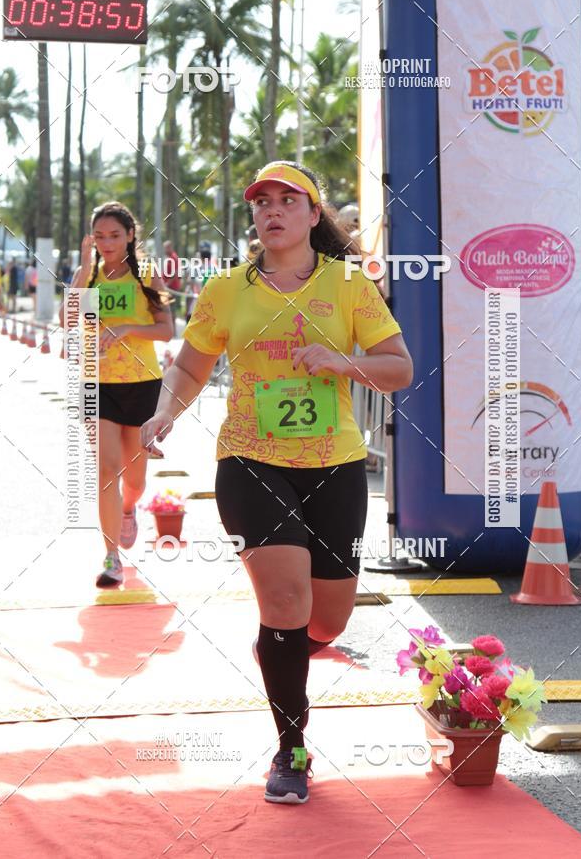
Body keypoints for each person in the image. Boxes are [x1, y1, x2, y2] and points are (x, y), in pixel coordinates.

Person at [140, 161, 413, 804]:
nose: (273, 210)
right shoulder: (226, 290)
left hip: (335, 465)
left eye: (288, 200)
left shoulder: (349, 284)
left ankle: (280, 647)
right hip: (250, 461)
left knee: (327, 622)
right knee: (287, 603)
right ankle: (292, 750)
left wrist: (341, 361)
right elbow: (191, 366)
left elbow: (398, 368)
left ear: (313, 215)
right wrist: (164, 411)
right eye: (262, 201)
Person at [60, 202, 174, 587]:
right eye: (100, 237)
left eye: (114, 235)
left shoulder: (146, 274)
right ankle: (111, 557)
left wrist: (127, 328)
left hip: (142, 385)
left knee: (134, 480)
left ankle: (128, 509)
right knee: (106, 471)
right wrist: (82, 271)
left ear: (130, 236)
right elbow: (66, 321)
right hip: (97, 384)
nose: (107, 243)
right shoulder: (88, 277)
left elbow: (166, 330)